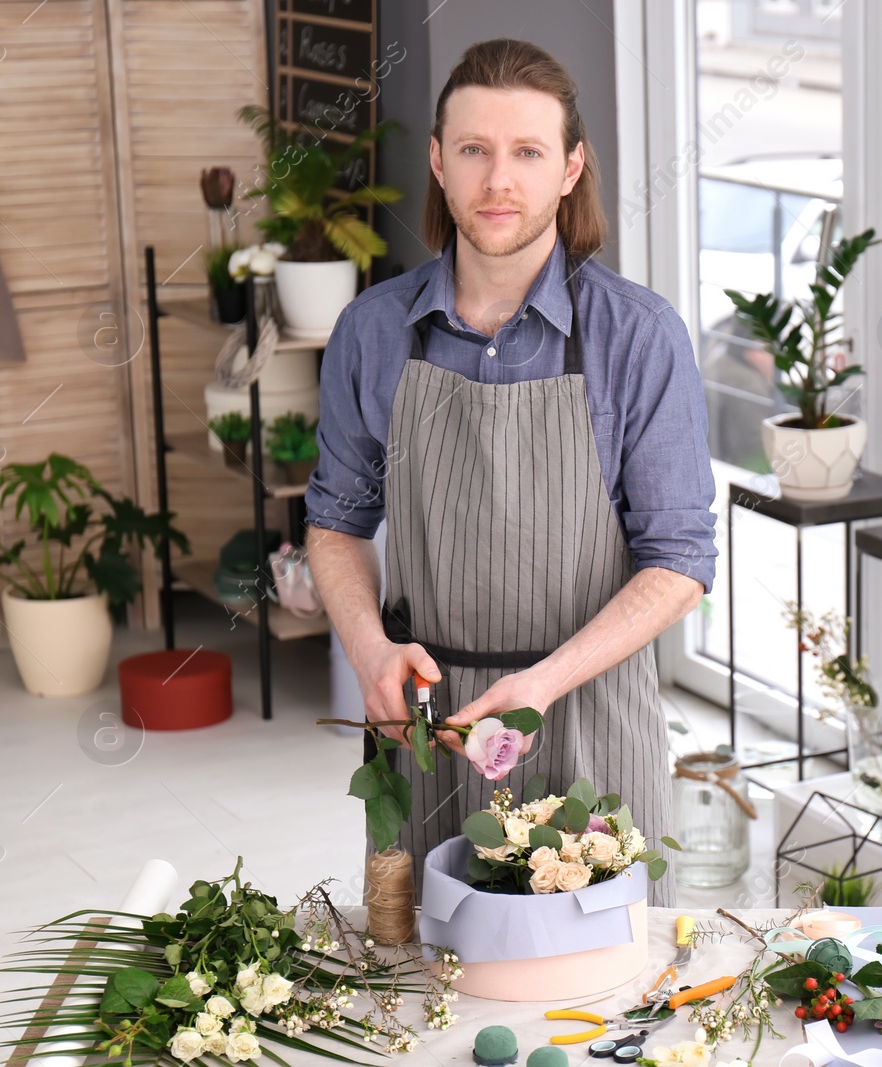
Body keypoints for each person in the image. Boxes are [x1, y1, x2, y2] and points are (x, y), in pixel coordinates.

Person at [304, 38, 716, 904]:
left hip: (592, 719)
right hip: (429, 730)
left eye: (527, 152)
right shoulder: (371, 333)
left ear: (570, 169)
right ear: (438, 164)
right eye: (475, 151)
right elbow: (337, 521)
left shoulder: (638, 337)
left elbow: (679, 563)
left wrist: (538, 686)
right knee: (429, 987)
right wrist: (371, 650)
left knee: (604, 1003)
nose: (499, 181)